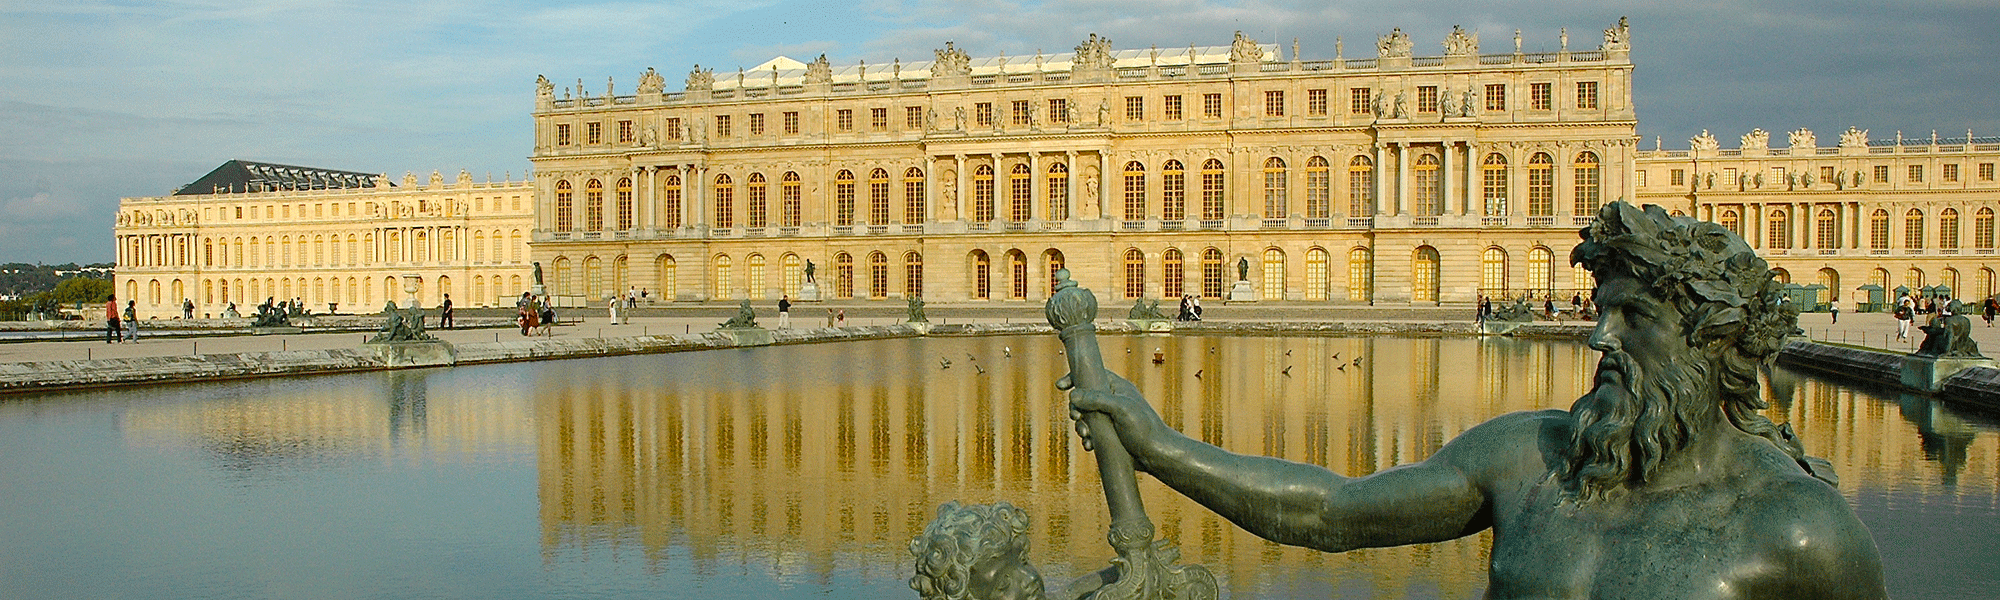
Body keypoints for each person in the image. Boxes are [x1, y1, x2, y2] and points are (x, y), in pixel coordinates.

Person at [1068, 202, 1885, 599]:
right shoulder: (1531, 456)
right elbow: (1333, 514)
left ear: (1714, 339)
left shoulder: (1799, 530)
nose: (1598, 338)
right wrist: (1159, 444)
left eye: (1634, 317)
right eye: (1602, 309)